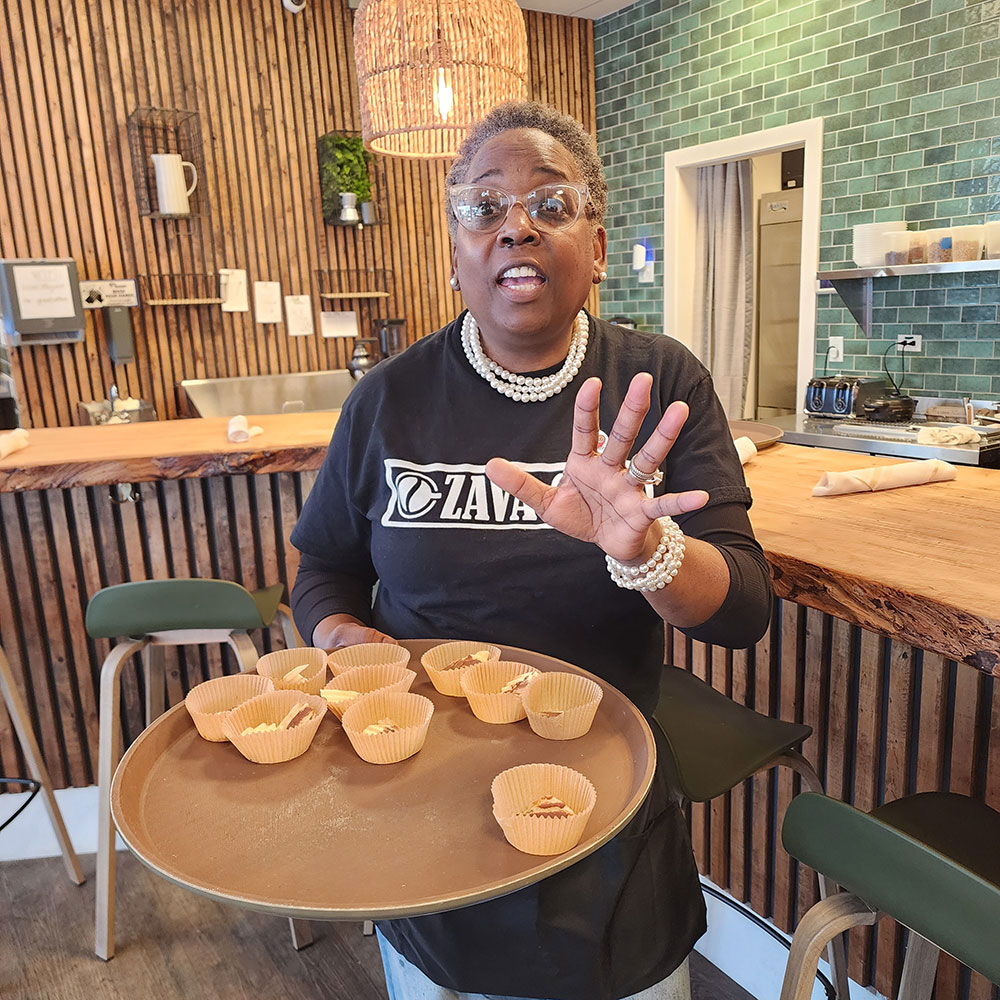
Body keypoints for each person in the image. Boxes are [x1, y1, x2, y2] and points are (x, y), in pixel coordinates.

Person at [290, 101, 772, 1000]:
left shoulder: (659, 384)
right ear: (454, 252)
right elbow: (325, 567)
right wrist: (343, 639)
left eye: (552, 204)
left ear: (594, 244)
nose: (516, 224)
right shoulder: (387, 401)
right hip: (421, 798)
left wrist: (650, 551)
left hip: (607, 806)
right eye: (484, 207)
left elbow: (744, 612)